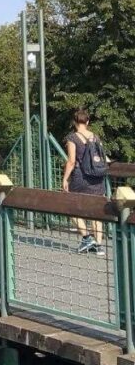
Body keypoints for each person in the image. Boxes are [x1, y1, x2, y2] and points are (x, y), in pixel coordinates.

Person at [63, 109, 108, 256]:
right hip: (97, 178)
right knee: (96, 212)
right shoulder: (95, 137)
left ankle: (87, 238)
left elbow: (71, 161)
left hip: (80, 178)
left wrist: (65, 179)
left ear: (75, 122)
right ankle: (99, 245)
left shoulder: (72, 138)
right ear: (87, 122)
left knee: (71, 208)